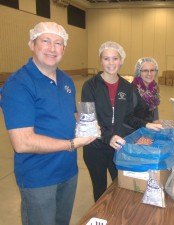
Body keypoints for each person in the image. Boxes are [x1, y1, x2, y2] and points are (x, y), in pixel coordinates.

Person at [0, 22, 96, 225]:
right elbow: (23, 142)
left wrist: (86, 121)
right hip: (39, 178)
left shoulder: (67, 81)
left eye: (58, 43)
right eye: (46, 41)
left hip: (68, 172)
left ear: (64, 49)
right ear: (32, 44)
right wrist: (72, 144)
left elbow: (69, 115)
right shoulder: (18, 84)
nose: (52, 48)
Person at [81, 41, 162, 202]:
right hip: (95, 146)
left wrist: (146, 124)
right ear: (100, 60)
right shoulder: (90, 86)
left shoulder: (126, 86)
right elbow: (87, 120)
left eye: (115, 58)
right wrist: (107, 137)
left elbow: (128, 117)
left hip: (117, 146)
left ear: (121, 60)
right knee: (100, 189)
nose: (111, 63)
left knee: (119, 186)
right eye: (106, 58)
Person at [132, 57, 160, 123]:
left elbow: (154, 107)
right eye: (145, 70)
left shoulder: (153, 88)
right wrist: (146, 125)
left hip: (147, 125)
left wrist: (156, 121)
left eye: (152, 70)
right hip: (133, 129)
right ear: (139, 72)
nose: (149, 74)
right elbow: (127, 117)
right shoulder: (133, 91)